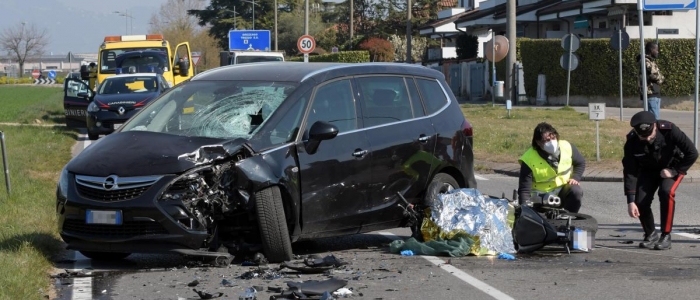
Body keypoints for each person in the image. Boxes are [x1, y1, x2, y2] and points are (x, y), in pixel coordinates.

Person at [622, 111, 697, 250]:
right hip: (648, 169)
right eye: (642, 137)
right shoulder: (632, 141)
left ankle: (666, 235)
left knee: (666, 192)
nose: (646, 139)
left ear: (655, 126)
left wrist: (675, 171)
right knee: (640, 201)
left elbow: (692, 153)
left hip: (672, 167)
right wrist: (630, 200)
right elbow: (630, 171)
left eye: (649, 135)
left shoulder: (669, 130)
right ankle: (650, 234)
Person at [518, 122, 586, 213]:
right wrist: (525, 211)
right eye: (546, 140)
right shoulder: (528, 158)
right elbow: (524, 190)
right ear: (538, 142)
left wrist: (575, 177)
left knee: (576, 190)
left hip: (561, 192)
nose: (551, 142)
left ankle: (569, 217)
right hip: (539, 198)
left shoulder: (567, 146)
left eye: (553, 138)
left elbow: (580, 162)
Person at [637, 41, 664, 120]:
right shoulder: (646, 61)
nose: (657, 52)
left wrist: (660, 77)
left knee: (654, 118)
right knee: (654, 119)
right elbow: (654, 75)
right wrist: (661, 78)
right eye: (656, 49)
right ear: (651, 50)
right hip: (650, 93)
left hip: (654, 92)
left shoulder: (650, 61)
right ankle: (654, 132)